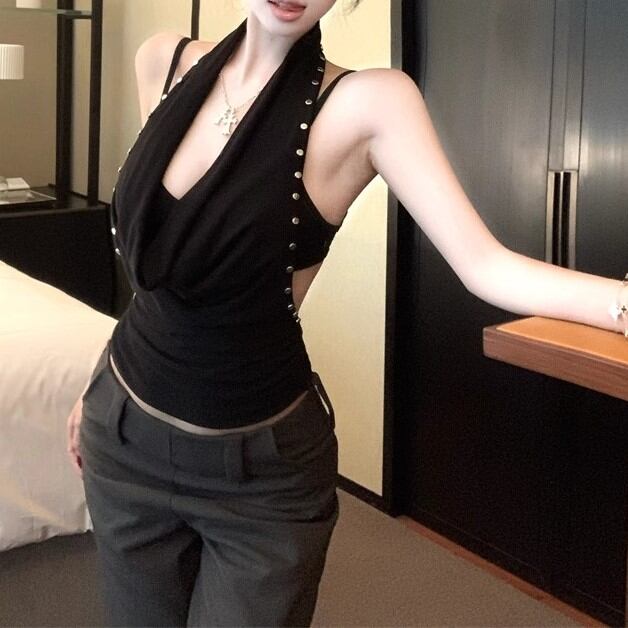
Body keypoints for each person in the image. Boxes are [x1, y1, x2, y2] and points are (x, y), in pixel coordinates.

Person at [66, 0, 628, 626]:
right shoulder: (163, 61)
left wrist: (622, 305)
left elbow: (485, 265)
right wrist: (98, 386)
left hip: (258, 473)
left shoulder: (370, 103)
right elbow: (163, 277)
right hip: (123, 435)